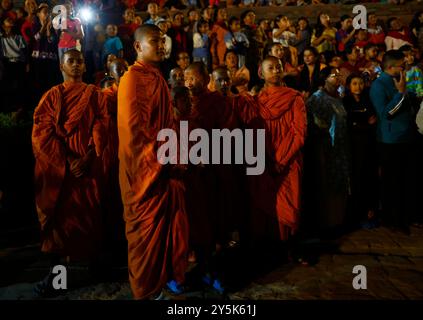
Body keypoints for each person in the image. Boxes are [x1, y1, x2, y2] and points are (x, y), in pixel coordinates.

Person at [118, 24, 189, 300]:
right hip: (145, 175)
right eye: (154, 41)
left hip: (162, 168)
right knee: (144, 242)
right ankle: (146, 293)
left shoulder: (156, 77)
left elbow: (165, 125)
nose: (161, 45)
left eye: (163, 41)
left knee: (162, 242)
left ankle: (157, 290)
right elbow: (137, 135)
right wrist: (166, 160)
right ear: (137, 46)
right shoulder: (133, 79)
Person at [31, 49, 108, 295]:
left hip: (86, 169)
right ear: (62, 67)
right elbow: (42, 134)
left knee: (90, 218)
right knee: (57, 227)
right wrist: (66, 161)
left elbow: (102, 125)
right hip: (60, 172)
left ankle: (95, 272)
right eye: (70, 61)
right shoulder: (51, 96)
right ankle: (58, 280)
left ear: (85, 66)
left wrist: (87, 158)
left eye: (79, 61)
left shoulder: (95, 94)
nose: (76, 65)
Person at [249, 56, 306, 245]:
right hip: (265, 158)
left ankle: (290, 246)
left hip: (288, 159)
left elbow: (299, 131)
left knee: (289, 203)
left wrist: (281, 159)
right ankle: (270, 247)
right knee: (267, 203)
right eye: (270, 68)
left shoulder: (294, 97)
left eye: (278, 67)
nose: (275, 71)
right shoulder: (256, 101)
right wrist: (265, 157)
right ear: (261, 72)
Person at [370, 50, 417, 234]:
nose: (404, 68)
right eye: (401, 65)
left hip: (406, 136)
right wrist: (400, 93)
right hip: (390, 140)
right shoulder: (379, 85)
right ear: (390, 67)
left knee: (406, 179)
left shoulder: (398, 80)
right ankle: (393, 219)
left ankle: (406, 216)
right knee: (393, 182)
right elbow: (386, 113)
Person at [304, 67, 350, 238]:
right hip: (324, 148)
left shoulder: (337, 98)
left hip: (339, 148)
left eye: (339, 75)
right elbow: (314, 124)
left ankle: (337, 222)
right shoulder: (317, 98)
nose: (338, 78)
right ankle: (325, 224)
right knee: (325, 185)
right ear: (323, 79)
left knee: (339, 184)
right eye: (333, 75)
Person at [342, 74, 378, 229]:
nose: (358, 87)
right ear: (349, 85)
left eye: (361, 83)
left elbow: (374, 120)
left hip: (368, 145)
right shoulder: (345, 102)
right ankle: (354, 214)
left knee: (368, 177)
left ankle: (367, 212)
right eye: (354, 83)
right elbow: (348, 124)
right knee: (355, 177)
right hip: (353, 146)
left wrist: (361, 123)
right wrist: (363, 123)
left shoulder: (368, 100)